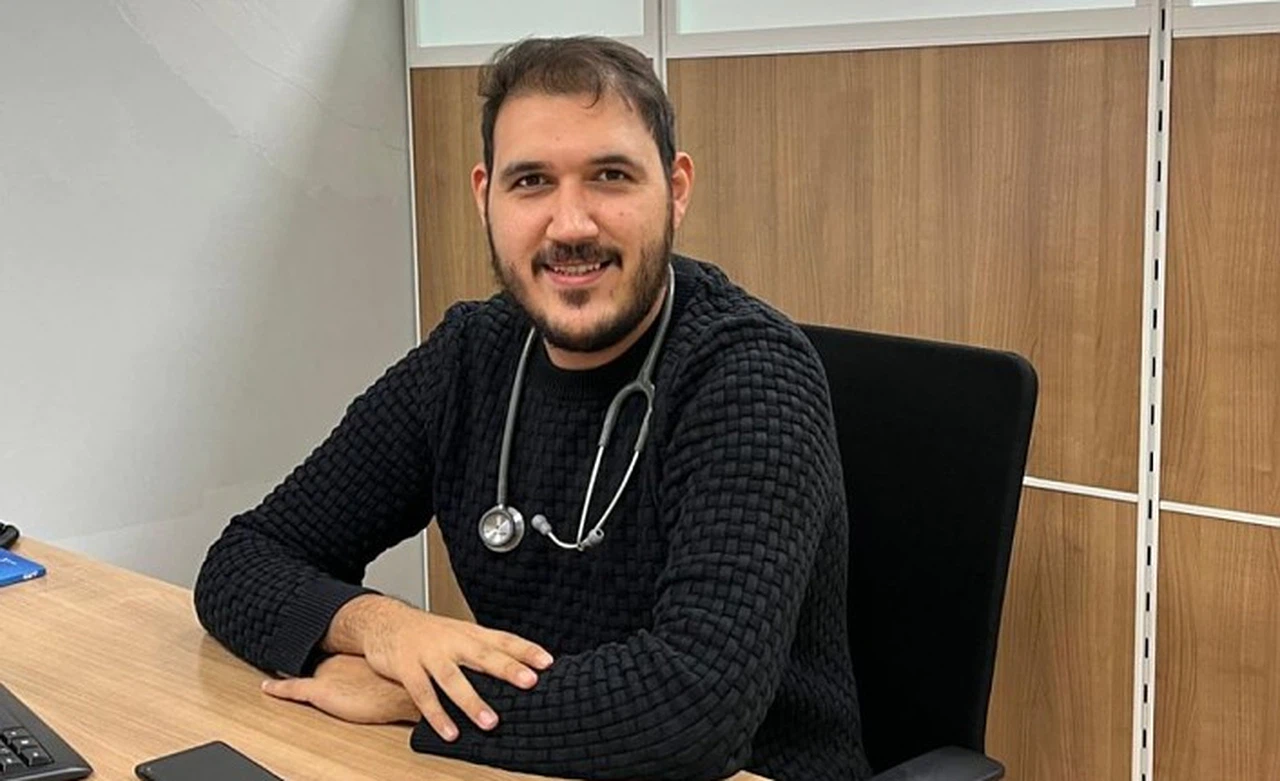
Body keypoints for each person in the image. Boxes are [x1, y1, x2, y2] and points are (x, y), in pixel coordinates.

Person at [194, 35, 871, 781]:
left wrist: (419, 696)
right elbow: (243, 560)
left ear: (676, 189)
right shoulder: (468, 359)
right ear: (486, 196)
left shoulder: (751, 376)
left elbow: (693, 710)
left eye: (610, 176)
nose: (571, 225)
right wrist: (382, 628)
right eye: (532, 182)